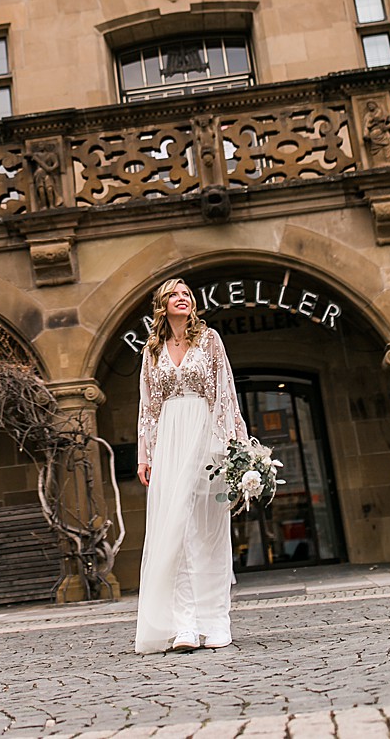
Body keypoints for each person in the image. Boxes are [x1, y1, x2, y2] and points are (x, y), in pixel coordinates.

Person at [134, 276, 250, 653]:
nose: (182, 299)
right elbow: (147, 407)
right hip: (169, 442)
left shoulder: (210, 340)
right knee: (177, 532)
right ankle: (184, 624)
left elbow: (225, 393)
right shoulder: (152, 350)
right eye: (174, 294)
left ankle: (214, 620)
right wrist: (144, 454)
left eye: (186, 294)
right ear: (162, 304)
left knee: (207, 532)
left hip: (206, 440)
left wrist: (234, 447)